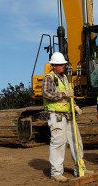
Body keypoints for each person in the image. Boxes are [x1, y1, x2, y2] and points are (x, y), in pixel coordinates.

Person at [42, 51, 85, 182]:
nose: (63, 67)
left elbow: (70, 95)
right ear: (54, 65)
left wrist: (75, 105)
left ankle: (81, 168)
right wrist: (64, 94)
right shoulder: (49, 78)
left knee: (76, 141)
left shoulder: (65, 78)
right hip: (56, 115)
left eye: (64, 65)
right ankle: (56, 172)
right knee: (58, 143)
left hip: (68, 113)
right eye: (60, 65)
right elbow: (47, 94)